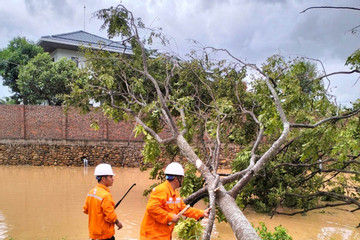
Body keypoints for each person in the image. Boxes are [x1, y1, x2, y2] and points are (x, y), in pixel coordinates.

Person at [140, 162, 211, 240]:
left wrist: (202, 213)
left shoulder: (175, 193)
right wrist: (170, 217)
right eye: (182, 178)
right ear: (177, 179)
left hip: (165, 236)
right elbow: (151, 208)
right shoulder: (160, 190)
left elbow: (184, 209)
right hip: (152, 236)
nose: (183, 181)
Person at [83, 163, 123, 240]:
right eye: (110, 177)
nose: (113, 179)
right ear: (103, 179)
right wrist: (118, 223)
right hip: (104, 235)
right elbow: (110, 215)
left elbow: (85, 210)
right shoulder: (106, 195)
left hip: (94, 235)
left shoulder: (91, 193)